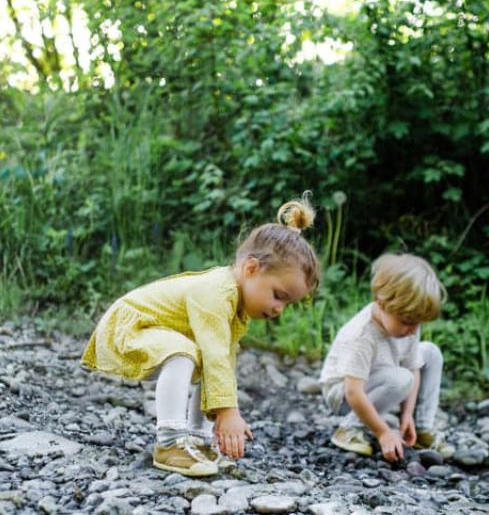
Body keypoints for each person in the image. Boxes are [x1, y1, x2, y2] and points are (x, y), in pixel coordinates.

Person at [81, 196, 320, 477]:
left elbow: (220, 365)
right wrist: (228, 412)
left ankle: (197, 441)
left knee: (206, 360)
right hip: (128, 326)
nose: (279, 308)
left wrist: (224, 411)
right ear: (251, 268)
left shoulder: (236, 305)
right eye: (278, 295)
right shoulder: (217, 292)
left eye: (287, 303)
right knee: (185, 352)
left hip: (152, 331)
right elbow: (216, 354)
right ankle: (169, 442)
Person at [320, 252, 451, 462]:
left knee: (431, 353)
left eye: (418, 323)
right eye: (408, 321)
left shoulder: (407, 326)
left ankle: (422, 428)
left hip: (381, 377)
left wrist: (407, 415)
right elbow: (352, 391)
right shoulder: (362, 335)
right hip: (343, 394)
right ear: (381, 302)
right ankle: (349, 428)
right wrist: (383, 432)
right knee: (401, 379)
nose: (413, 330)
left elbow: (413, 367)